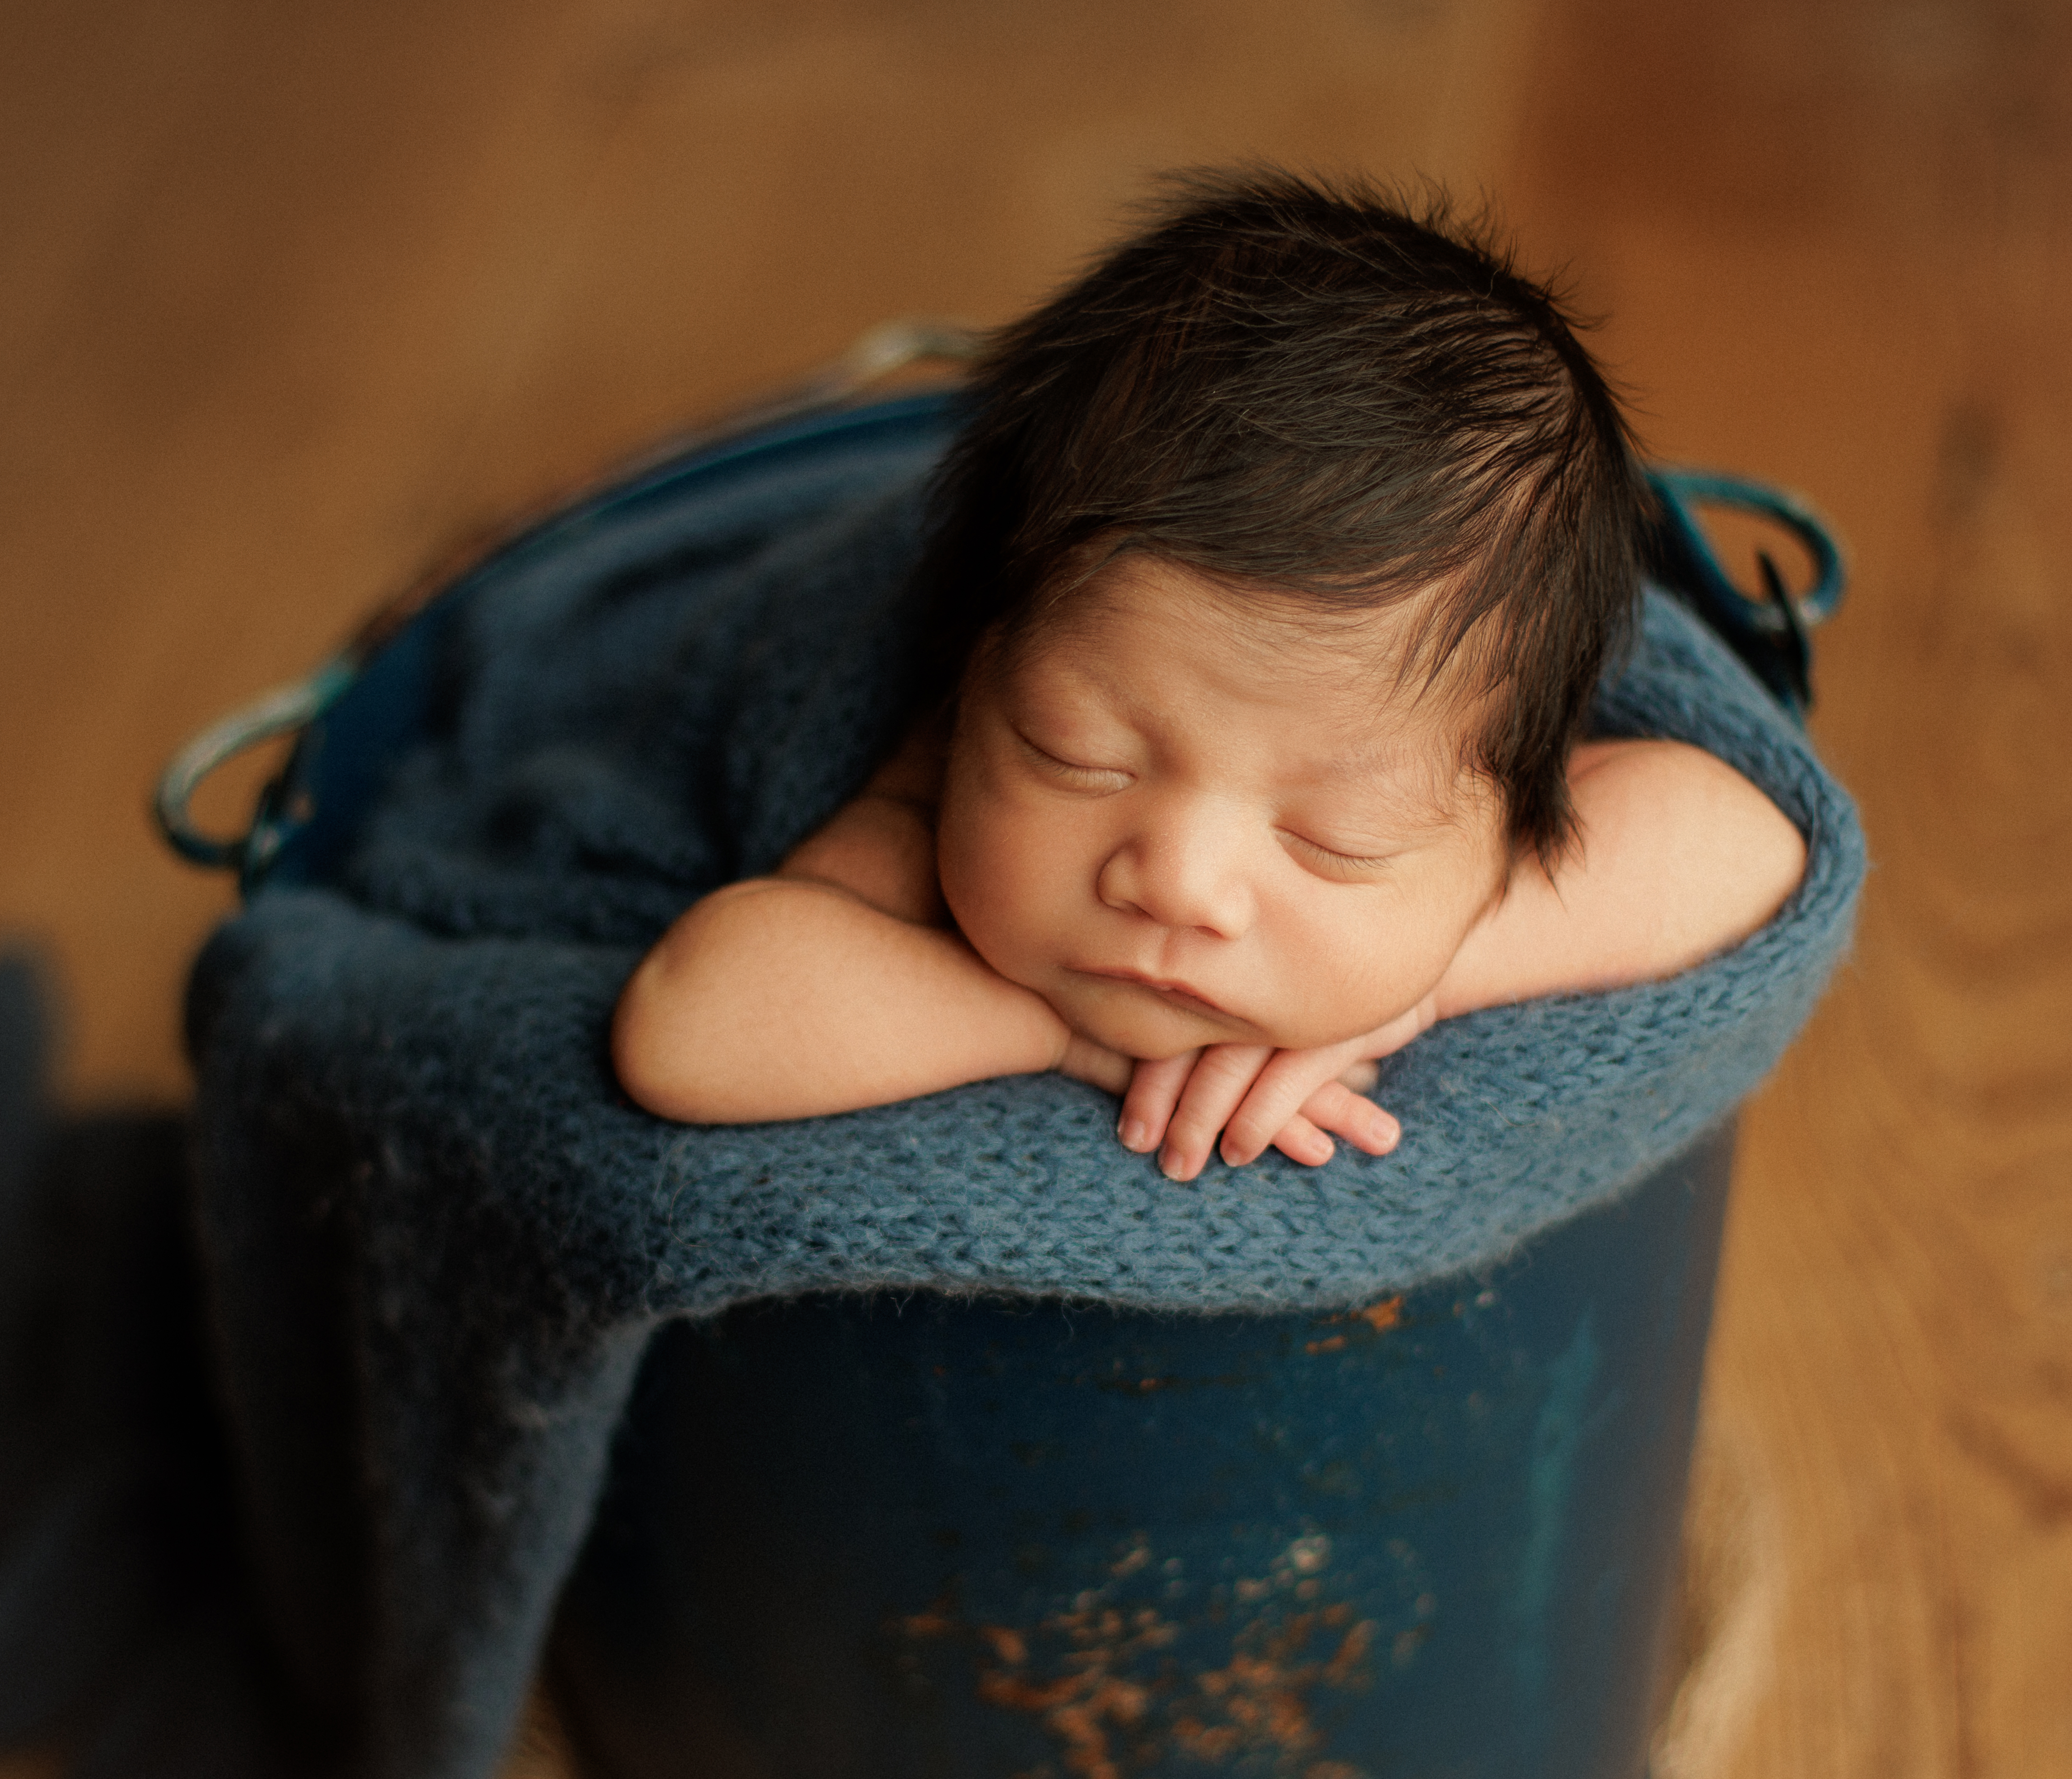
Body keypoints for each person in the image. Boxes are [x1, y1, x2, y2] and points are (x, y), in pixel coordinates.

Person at [610, 170, 1808, 1183]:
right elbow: (686, 1027)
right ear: (982, 678)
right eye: (1078, 755)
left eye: (1336, 838)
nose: (1177, 884)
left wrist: (1436, 978)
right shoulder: (929, 810)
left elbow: (1752, 842)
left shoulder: (1471, 799)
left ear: (1505, 833)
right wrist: (1053, 1028)